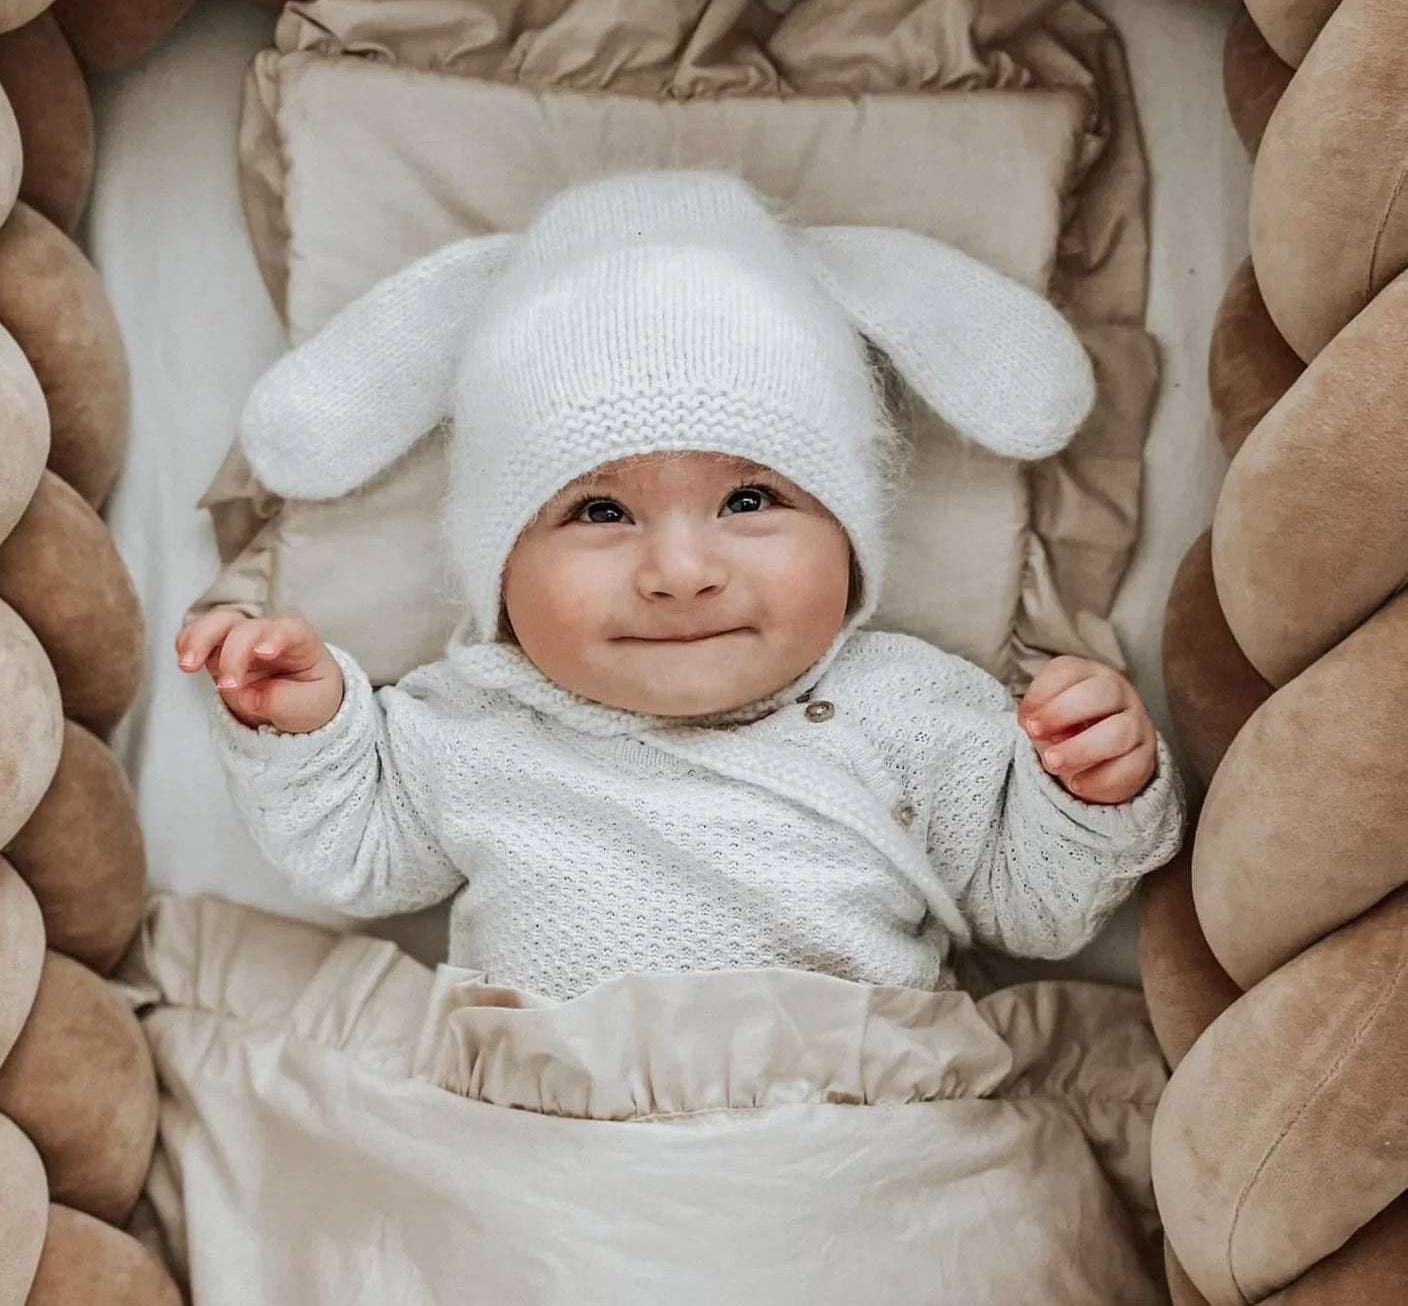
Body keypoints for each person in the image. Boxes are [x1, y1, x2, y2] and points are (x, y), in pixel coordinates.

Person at [177, 170, 1183, 1002]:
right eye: (599, 514)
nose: (679, 573)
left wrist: (1087, 788)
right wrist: (308, 725)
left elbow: (1035, 909)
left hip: (846, 1120)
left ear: (846, 538)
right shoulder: (472, 717)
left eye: (749, 499)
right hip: (551, 1129)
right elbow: (357, 856)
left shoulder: (914, 707)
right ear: (499, 569)